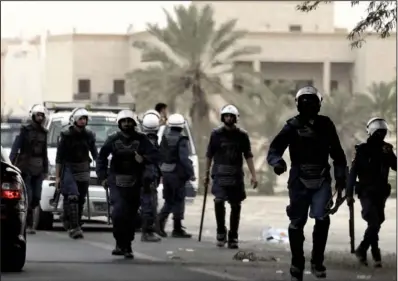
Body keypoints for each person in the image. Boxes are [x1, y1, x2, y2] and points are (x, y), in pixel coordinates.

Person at [266, 86, 347, 281]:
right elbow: (274, 149)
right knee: (296, 223)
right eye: (306, 102)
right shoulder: (291, 126)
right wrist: (277, 163)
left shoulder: (326, 125)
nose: (309, 105)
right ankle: (297, 263)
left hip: (321, 179)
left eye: (312, 102)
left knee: (322, 219)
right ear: (299, 104)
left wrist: (341, 176)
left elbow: (338, 154)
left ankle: (317, 261)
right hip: (298, 180)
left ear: (318, 104)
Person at [96, 109, 158, 258]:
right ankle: (119, 243)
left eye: (129, 121)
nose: (126, 124)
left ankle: (128, 245)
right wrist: (102, 177)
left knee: (130, 215)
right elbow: (101, 157)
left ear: (134, 123)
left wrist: (143, 159)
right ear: (119, 123)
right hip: (116, 181)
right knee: (117, 213)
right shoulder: (113, 139)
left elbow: (156, 155)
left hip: (135, 182)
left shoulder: (142, 139)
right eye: (123, 121)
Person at [204, 104, 258, 249]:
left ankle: (233, 236)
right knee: (218, 201)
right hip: (220, 174)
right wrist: (206, 174)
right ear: (223, 118)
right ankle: (221, 232)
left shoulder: (242, 136)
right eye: (226, 116)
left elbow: (248, 155)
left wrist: (253, 175)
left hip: (236, 176)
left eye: (231, 116)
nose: (228, 118)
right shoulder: (216, 134)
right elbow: (209, 154)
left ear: (235, 118)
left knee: (236, 205)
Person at [347, 117, 397, 268]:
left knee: (376, 221)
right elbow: (353, 173)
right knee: (374, 222)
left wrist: (391, 154)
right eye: (379, 133)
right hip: (366, 193)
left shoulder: (386, 149)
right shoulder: (362, 150)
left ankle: (371, 252)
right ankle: (365, 250)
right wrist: (349, 194)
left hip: (381, 193)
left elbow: (395, 166)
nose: (381, 136)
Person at [55, 107, 98, 239]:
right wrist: (57, 177)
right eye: (80, 118)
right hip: (69, 168)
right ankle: (74, 228)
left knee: (80, 198)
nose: (83, 121)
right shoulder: (66, 135)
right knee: (73, 196)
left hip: (84, 167)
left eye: (85, 118)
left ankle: (73, 220)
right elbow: (59, 157)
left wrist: (101, 167)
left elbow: (95, 153)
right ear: (75, 120)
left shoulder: (89, 135)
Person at [10, 104, 49, 234]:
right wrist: (11, 164)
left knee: (37, 196)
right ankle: (28, 224)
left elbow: (45, 152)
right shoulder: (25, 130)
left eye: (41, 115)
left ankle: (29, 221)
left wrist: (45, 169)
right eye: (38, 115)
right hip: (26, 166)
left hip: (38, 167)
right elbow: (16, 147)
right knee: (29, 195)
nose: (40, 117)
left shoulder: (44, 133)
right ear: (33, 115)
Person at [156, 113, 194, 238]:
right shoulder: (182, 140)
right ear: (182, 126)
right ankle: (174, 228)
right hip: (177, 173)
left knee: (169, 199)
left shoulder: (165, 138)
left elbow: (160, 156)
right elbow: (184, 159)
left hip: (166, 172)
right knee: (178, 200)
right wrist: (191, 173)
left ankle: (162, 224)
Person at [140, 110, 162, 242]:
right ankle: (147, 232)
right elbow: (152, 159)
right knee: (150, 204)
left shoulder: (141, 139)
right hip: (148, 177)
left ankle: (149, 231)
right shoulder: (151, 141)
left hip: (145, 176)